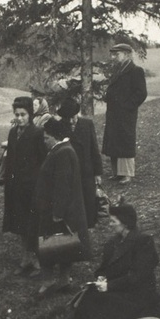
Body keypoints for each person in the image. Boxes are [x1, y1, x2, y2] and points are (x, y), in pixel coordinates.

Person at [34, 202, 159, 319]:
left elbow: (139, 275)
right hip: (118, 288)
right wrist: (101, 278)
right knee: (92, 293)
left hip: (137, 293)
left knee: (101, 302)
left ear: (125, 222)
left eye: (113, 221)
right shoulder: (113, 243)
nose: (110, 224)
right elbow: (103, 269)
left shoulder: (143, 241)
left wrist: (110, 286)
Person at [34, 117, 91, 296]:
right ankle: (64, 280)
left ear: (55, 137)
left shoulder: (62, 153)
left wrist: (57, 213)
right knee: (64, 245)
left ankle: (49, 282)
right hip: (61, 210)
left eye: (46, 138)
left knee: (51, 245)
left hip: (58, 211)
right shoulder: (61, 150)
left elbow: (62, 185)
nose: (44, 141)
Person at [1, 97, 47, 276]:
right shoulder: (13, 133)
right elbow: (11, 158)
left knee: (33, 224)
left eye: (23, 115)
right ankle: (25, 257)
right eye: (17, 114)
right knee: (19, 222)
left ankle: (37, 259)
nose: (19, 118)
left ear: (30, 114)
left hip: (31, 186)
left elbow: (43, 160)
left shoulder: (37, 133)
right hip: (15, 186)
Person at [101, 42, 147, 184]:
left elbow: (141, 93)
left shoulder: (135, 71)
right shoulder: (118, 70)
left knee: (125, 142)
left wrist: (127, 106)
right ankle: (117, 173)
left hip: (126, 114)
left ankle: (127, 174)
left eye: (117, 54)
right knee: (114, 142)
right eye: (113, 54)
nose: (114, 57)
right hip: (114, 113)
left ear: (127, 55)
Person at [57, 97, 104, 229]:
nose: (71, 121)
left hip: (87, 170)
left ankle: (90, 224)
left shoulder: (87, 124)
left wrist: (97, 173)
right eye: (68, 118)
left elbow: (94, 149)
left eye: (73, 117)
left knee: (89, 198)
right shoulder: (59, 127)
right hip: (69, 171)